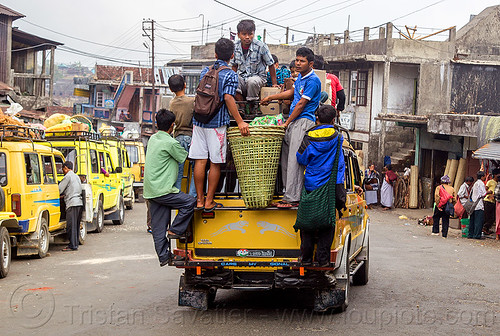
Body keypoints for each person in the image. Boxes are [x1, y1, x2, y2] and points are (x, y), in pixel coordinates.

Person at [190, 38, 250, 210]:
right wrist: (240, 121)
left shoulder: (204, 71)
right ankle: (209, 201)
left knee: (200, 161)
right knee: (215, 163)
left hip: (199, 121)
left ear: (215, 54)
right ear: (232, 56)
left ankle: (199, 200)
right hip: (217, 124)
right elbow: (228, 98)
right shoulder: (230, 74)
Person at [261, 47, 322, 208]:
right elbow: (291, 94)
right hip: (293, 121)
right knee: (286, 160)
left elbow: (301, 104)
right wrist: (271, 97)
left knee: (295, 160)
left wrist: (287, 123)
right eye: (297, 60)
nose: (298, 63)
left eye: (302, 61)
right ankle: (287, 194)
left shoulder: (313, 80)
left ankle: (293, 197)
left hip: (303, 122)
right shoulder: (300, 78)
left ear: (311, 63)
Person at [144, 109, 196, 266]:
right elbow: (185, 156)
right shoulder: (171, 143)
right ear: (172, 126)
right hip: (164, 190)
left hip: (151, 191)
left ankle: (164, 257)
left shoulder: (153, 139)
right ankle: (176, 229)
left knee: (158, 229)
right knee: (189, 202)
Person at [295, 105, 345, 266]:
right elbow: (340, 167)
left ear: (317, 118)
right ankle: (323, 260)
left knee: (308, 222)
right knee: (327, 224)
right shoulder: (338, 138)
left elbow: (301, 158)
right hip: (330, 187)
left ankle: (307, 259)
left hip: (311, 185)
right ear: (333, 120)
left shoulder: (309, 137)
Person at [231, 19, 276, 107]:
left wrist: (274, 84)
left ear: (253, 34)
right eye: (244, 34)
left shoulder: (261, 46)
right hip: (242, 78)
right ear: (238, 35)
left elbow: (271, 64)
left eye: (250, 34)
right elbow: (234, 66)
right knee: (233, 79)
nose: (247, 37)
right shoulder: (234, 46)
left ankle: (253, 107)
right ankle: (242, 107)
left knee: (252, 81)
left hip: (258, 78)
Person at [168, 74, 196, 198]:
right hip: (192, 137)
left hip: (178, 138)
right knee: (196, 169)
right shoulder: (192, 101)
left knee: (178, 171)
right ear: (185, 85)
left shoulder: (172, 103)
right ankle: (192, 195)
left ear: (170, 89)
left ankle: (178, 195)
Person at [59, 161, 83, 252]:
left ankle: (72, 245)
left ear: (65, 168)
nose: (63, 171)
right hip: (79, 203)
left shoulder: (68, 176)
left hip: (72, 203)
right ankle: (75, 243)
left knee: (70, 226)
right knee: (76, 225)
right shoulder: (76, 176)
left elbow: (59, 189)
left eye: (62, 169)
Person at [468, 171, 488, 240]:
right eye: (484, 176)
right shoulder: (481, 184)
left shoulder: (475, 183)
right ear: (482, 176)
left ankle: (471, 234)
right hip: (479, 205)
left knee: (472, 220)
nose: (485, 177)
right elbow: (483, 194)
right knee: (478, 221)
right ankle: (477, 235)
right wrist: (488, 192)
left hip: (473, 205)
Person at [483, 168, 499, 235]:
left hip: (494, 202)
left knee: (492, 217)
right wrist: (489, 193)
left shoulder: (498, 183)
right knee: (487, 216)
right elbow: (484, 190)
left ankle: (486, 228)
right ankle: (484, 229)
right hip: (488, 201)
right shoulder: (490, 182)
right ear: (495, 175)